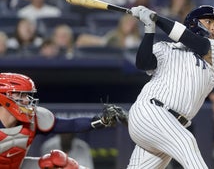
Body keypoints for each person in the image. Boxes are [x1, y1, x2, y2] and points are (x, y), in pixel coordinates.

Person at [127, 4, 214, 168]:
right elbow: (143, 64)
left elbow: (193, 41)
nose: (213, 28)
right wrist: (149, 27)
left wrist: (156, 18)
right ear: (194, 23)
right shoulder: (164, 48)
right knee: (187, 142)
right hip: (150, 111)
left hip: (171, 128)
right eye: (209, 22)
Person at [0, 72, 128, 168]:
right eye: (20, 95)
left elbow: (71, 125)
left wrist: (102, 120)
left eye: (27, 95)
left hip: (16, 166)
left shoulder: (35, 119)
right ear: (4, 96)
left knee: (60, 163)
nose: (27, 100)